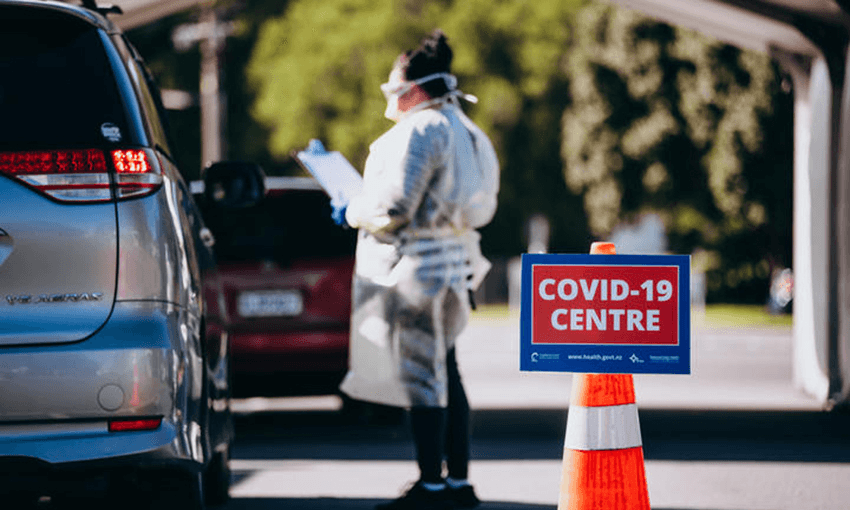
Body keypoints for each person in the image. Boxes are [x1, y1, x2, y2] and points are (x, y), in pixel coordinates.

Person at [334, 29, 499, 510]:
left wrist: (350, 209)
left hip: (417, 270)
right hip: (455, 264)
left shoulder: (422, 129)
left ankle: (431, 485)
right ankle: (458, 481)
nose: (392, 95)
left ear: (417, 87)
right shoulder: (469, 130)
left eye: (396, 85)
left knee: (421, 377)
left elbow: (396, 205)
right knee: (448, 369)